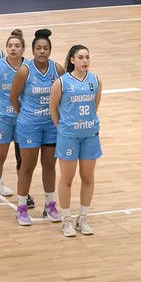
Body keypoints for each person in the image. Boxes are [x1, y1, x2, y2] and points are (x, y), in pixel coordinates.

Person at [10, 29, 64, 226]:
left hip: (51, 125)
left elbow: (63, 97)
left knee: (49, 166)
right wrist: (25, 115)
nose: (42, 51)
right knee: (27, 167)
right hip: (29, 125)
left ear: (50, 50)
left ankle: (50, 205)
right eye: (39, 48)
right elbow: (13, 98)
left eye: (46, 48)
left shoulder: (57, 70)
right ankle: (22, 207)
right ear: (32, 50)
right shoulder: (24, 71)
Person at [50, 45, 102, 237]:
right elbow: (53, 109)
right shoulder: (61, 83)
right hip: (68, 136)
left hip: (90, 135)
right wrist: (63, 128)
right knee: (67, 179)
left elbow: (94, 106)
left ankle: (83, 217)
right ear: (72, 60)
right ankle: (66, 219)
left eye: (87, 57)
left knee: (88, 178)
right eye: (80, 57)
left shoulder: (95, 80)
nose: (85, 61)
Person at [0, 29, 27, 212]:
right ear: (6, 48)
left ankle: (24, 194)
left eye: (17, 46)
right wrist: (2, 105)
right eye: (10, 46)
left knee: (22, 159)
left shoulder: (28, 68)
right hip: (2, 118)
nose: (13, 49)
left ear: (23, 49)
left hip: (23, 119)